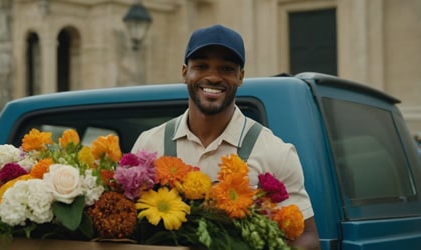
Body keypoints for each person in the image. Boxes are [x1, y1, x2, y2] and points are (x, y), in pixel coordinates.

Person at [131, 24, 320, 249]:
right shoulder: (149, 144)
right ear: (184, 72)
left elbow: (307, 238)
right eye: (201, 66)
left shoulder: (275, 151)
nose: (213, 77)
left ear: (240, 77)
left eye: (226, 69)